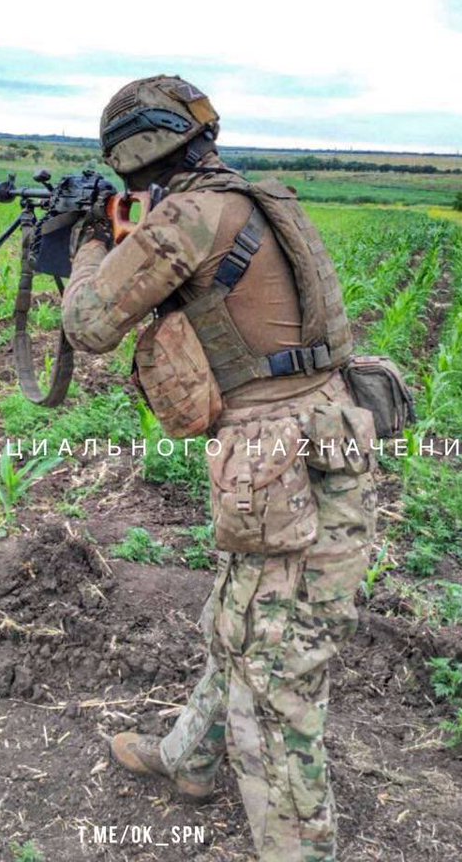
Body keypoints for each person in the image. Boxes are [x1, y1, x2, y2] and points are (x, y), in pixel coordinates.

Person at [61, 75, 376, 862]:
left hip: (276, 456)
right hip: (328, 431)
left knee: (274, 668)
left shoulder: (190, 215)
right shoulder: (256, 197)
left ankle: (297, 849)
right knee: (237, 620)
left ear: (130, 152)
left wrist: (90, 245)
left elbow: (89, 323)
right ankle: (191, 759)